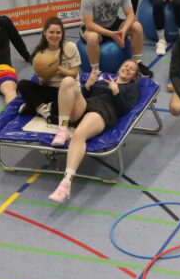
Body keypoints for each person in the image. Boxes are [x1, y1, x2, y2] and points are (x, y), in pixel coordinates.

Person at [48, 60, 141, 203]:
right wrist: (87, 86)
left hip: (103, 111)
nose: (128, 68)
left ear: (134, 77)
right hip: (88, 105)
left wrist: (116, 92)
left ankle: (66, 182)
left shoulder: (131, 87)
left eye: (132, 69)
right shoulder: (103, 80)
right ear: (119, 68)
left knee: (79, 135)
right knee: (67, 81)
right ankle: (63, 129)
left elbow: (125, 110)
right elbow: (86, 97)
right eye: (126, 66)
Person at [80, 0, 152, 77]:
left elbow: (130, 14)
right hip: (95, 27)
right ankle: (95, 71)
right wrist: (112, 34)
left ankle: (138, 63)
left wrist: (123, 30)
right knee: (93, 37)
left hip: (112, 23)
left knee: (137, 27)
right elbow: (89, 24)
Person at [16, 17, 82, 120]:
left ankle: (36, 107)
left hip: (69, 90)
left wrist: (59, 70)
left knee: (74, 106)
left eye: (58, 33)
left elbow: (74, 73)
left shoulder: (70, 47)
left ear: (62, 34)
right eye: (51, 32)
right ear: (44, 32)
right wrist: (47, 73)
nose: (55, 36)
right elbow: (42, 81)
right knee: (22, 84)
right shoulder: (39, 54)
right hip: (51, 90)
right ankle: (46, 112)